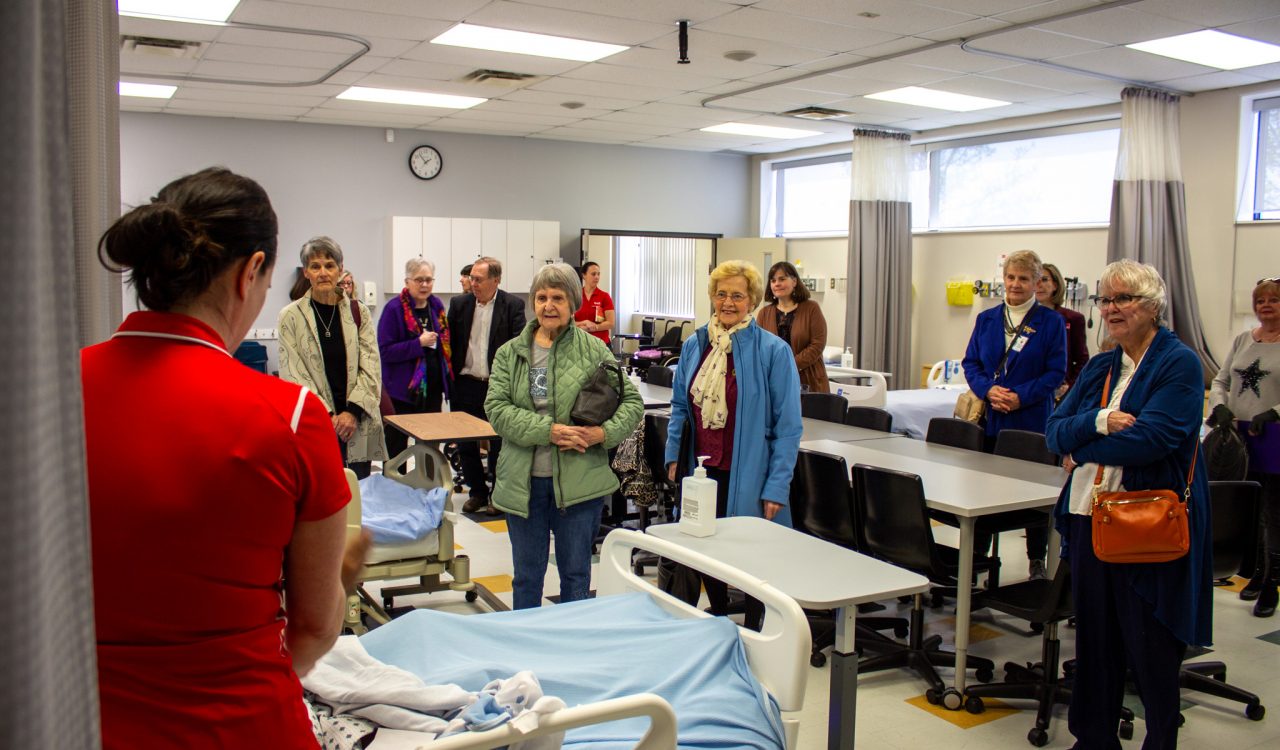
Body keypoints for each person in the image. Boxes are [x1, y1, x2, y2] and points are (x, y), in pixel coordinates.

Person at [83, 167, 369, 749]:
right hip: (238, 723)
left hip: (80, 718)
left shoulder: (46, 392)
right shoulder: (290, 417)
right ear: (251, 273)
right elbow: (313, 630)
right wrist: (338, 574)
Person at [1047, 259, 1211, 750]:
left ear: (1152, 305)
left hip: (1145, 525)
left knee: (1150, 643)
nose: (1112, 309)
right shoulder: (1101, 365)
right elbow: (1054, 431)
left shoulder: (1178, 362)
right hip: (1089, 520)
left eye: (1124, 299)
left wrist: (1081, 449)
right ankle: (1094, 738)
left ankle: (1161, 737)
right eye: (1106, 299)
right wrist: (1098, 422)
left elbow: (1155, 440)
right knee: (1095, 640)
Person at [486, 264, 643, 609]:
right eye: (541, 297)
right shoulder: (510, 353)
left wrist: (603, 433)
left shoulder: (594, 350)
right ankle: (527, 648)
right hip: (523, 483)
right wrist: (549, 431)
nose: (548, 305)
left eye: (557, 297)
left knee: (576, 575)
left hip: (579, 484)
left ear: (572, 302)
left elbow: (632, 403)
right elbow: (496, 409)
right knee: (527, 576)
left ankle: (573, 649)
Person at [665, 260, 803, 626]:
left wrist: (777, 486)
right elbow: (681, 406)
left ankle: (758, 632)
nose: (728, 302)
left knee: (754, 560)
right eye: (721, 293)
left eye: (737, 295)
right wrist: (673, 457)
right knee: (702, 550)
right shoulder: (698, 344)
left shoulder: (773, 352)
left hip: (750, 473)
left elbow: (788, 427)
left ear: (753, 301)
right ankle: (720, 618)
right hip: (700, 472)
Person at [962, 249, 1067, 577]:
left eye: (1024, 278)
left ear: (1037, 282)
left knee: (1033, 494)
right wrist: (987, 390)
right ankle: (977, 557)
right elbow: (971, 363)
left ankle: (1036, 558)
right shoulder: (987, 319)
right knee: (983, 489)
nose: (1016, 284)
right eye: (1011, 277)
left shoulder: (1050, 323)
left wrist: (1020, 397)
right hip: (991, 418)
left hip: (1030, 421)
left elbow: (1055, 372)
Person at [278, 236, 387, 478]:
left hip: (358, 422)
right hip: (317, 423)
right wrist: (328, 416)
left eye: (329, 265)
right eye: (315, 266)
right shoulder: (290, 316)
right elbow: (294, 374)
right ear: (306, 272)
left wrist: (351, 413)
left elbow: (370, 366)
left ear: (340, 269)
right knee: (323, 494)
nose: (323, 272)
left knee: (359, 497)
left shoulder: (360, 313)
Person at [1207, 277, 1280, 617]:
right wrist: (1219, 405)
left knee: (1272, 512)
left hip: (1273, 436)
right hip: (1237, 435)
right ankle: (1253, 570)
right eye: (1261, 300)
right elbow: (1221, 380)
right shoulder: (1242, 340)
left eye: (1274, 300)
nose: (1266, 305)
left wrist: (1274, 412)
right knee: (1245, 509)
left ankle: (1272, 581)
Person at [448, 256, 527, 514]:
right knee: (465, 443)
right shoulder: (459, 304)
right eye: (471, 278)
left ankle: (497, 494)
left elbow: (520, 346)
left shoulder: (512, 305)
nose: (473, 283)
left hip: (497, 386)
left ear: (496, 280)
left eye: (479, 279)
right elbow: (452, 344)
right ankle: (477, 492)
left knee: (499, 443)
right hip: (465, 383)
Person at [378, 258, 453, 463]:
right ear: (407, 281)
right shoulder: (393, 309)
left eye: (429, 279)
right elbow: (385, 351)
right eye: (419, 280)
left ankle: (426, 490)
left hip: (432, 391)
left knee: (430, 447)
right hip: (402, 393)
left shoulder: (436, 305)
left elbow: (444, 341)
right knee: (397, 449)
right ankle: (395, 491)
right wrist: (417, 344)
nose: (425, 285)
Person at [755, 260, 829, 393]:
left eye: (782, 279)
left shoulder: (811, 308)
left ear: (794, 282)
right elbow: (758, 346)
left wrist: (789, 364)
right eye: (773, 280)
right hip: (774, 379)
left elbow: (817, 344)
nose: (777, 284)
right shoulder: (764, 314)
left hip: (807, 379)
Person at [1037, 262, 1090, 398]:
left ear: (1055, 285)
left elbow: (1082, 359)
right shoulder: (1023, 319)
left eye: (1044, 279)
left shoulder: (1072, 318)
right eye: (1035, 280)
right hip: (1030, 388)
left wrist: (1070, 386)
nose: (1039, 285)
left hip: (1059, 391)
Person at [573, 260, 615, 347]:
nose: (596, 277)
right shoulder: (575, 296)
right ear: (584, 275)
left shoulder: (604, 296)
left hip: (600, 344)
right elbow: (568, 322)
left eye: (598, 274)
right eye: (593, 274)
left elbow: (611, 323)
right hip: (580, 344)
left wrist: (592, 327)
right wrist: (584, 322)